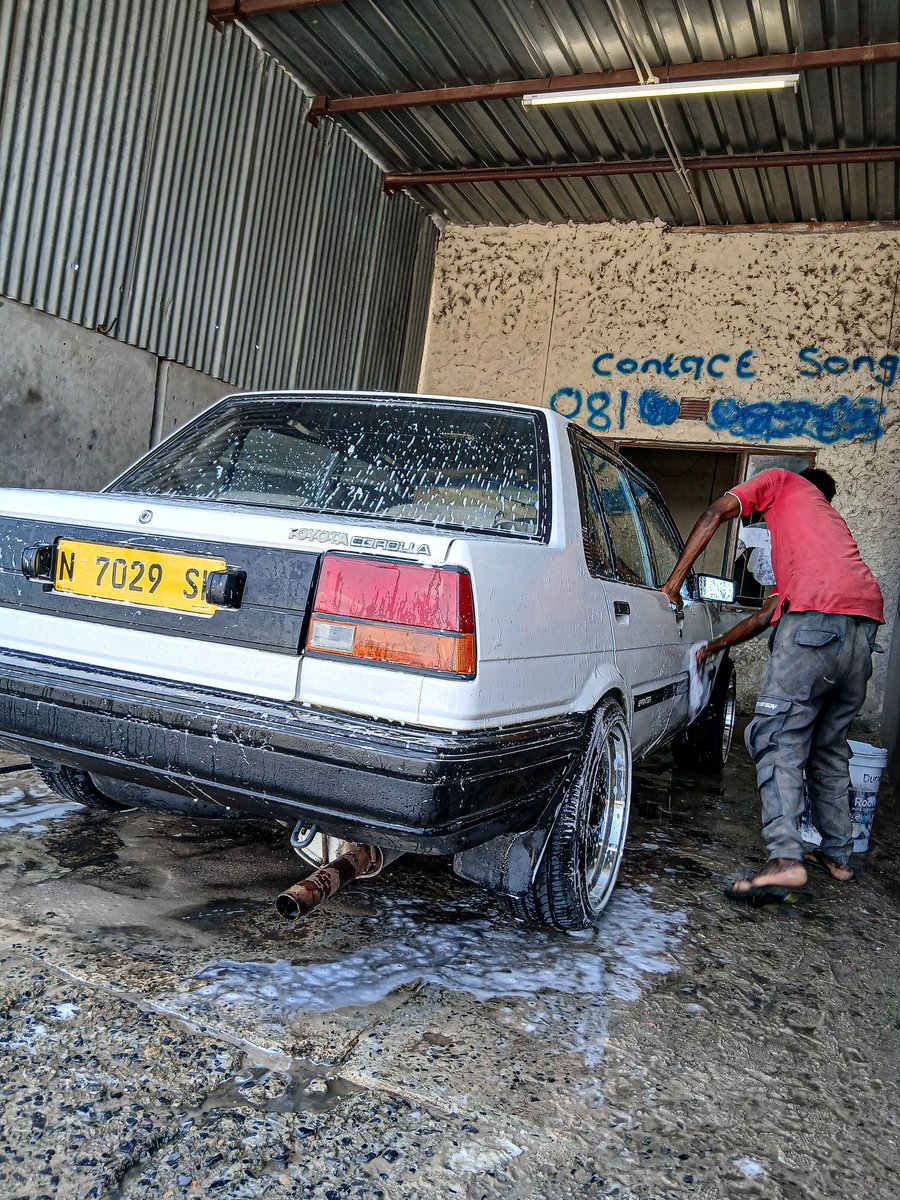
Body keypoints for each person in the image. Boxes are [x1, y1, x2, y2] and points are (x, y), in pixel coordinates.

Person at [661, 467, 884, 903]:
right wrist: (716, 645)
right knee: (829, 745)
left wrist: (672, 586)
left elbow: (714, 513)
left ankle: (785, 859)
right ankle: (838, 856)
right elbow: (765, 616)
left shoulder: (780, 481)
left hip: (816, 621)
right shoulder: (825, 540)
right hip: (863, 627)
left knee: (776, 736)